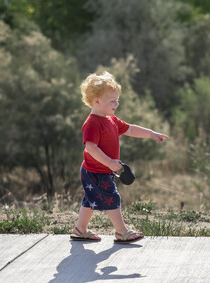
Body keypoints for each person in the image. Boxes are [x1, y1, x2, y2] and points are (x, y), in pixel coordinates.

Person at [71, 71, 169, 243]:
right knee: (112, 197)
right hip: (96, 171)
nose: (117, 103)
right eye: (112, 101)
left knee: (90, 199)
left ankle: (80, 230)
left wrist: (150, 133)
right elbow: (91, 148)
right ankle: (121, 232)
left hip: (101, 170)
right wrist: (109, 162)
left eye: (117, 100)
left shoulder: (111, 119)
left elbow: (130, 128)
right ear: (96, 101)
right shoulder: (92, 123)